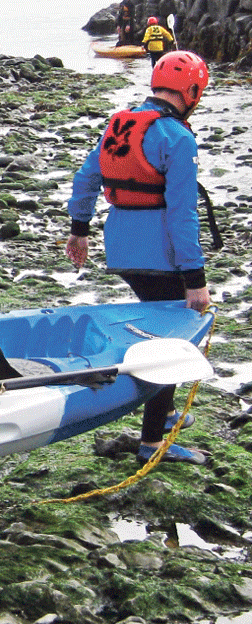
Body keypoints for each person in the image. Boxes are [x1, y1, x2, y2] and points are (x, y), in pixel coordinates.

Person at [65, 50, 211, 465]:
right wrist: (195, 277)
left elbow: (87, 176)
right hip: (159, 249)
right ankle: (152, 443)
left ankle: (162, 415)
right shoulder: (178, 138)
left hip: (121, 243)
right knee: (170, 342)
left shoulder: (121, 122)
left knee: (158, 323)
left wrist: (80, 230)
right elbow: (182, 213)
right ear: (193, 91)